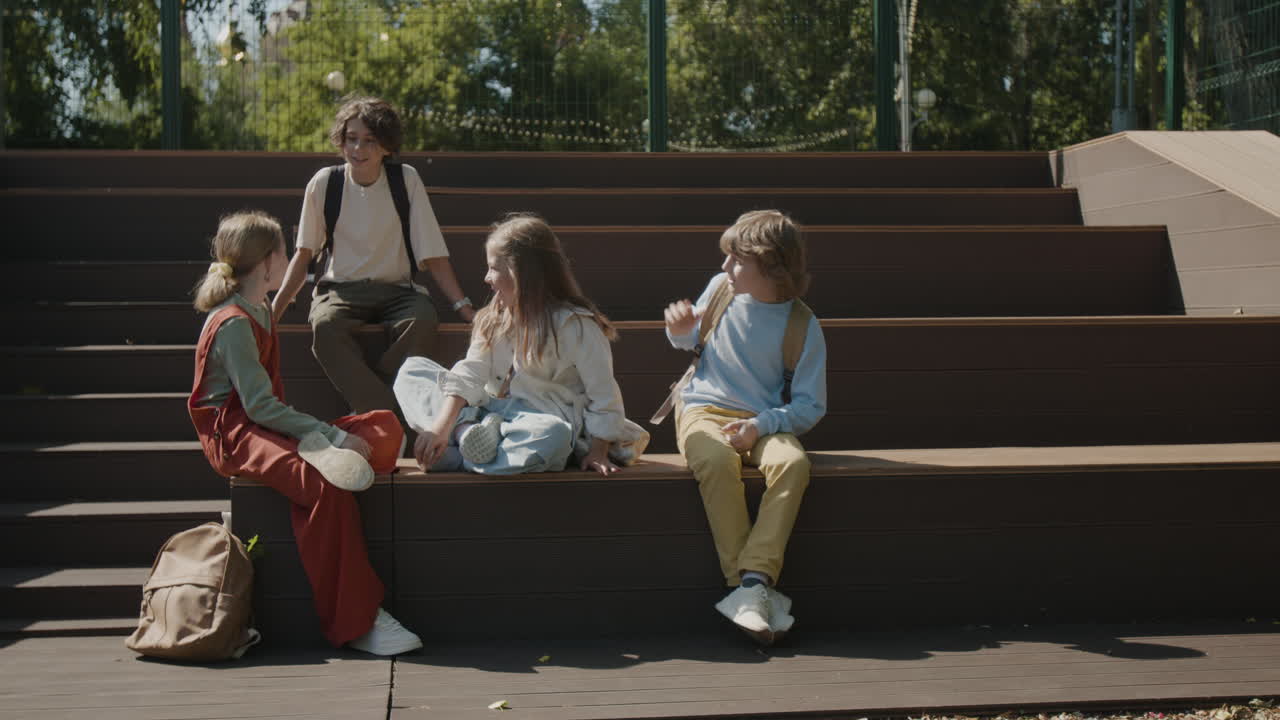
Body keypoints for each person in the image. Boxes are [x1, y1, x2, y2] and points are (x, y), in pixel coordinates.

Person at [189, 210, 421, 655]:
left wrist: (326, 436)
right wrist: (327, 437)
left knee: (382, 427)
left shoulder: (259, 309)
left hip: (262, 424)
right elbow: (256, 406)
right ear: (269, 261)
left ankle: (333, 459)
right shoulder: (234, 321)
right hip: (235, 434)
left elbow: (267, 409)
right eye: (284, 251)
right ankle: (358, 622)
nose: (291, 258)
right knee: (325, 485)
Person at [661, 210, 827, 646]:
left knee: (793, 463)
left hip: (762, 421)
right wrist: (678, 331)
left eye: (736, 259)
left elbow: (810, 406)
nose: (724, 268)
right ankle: (748, 588)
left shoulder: (802, 324)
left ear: (772, 265)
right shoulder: (720, 291)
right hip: (703, 412)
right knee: (715, 461)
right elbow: (691, 340)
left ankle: (753, 580)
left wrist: (760, 426)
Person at [272, 95, 475, 419]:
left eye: (369, 141)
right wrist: (272, 313)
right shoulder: (326, 183)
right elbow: (304, 253)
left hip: (398, 291)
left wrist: (464, 309)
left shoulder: (404, 180)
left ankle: (372, 407)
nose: (358, 149)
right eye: (351, 139)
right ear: (341, 141)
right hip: (341, 290)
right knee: (324, 327)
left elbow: (434, 253)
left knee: (423, 319)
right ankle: (385, 413)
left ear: (386, 146)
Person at [401, 214, 648, 477]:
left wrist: (598, 450)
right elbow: (471, 372)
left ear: (522, 273)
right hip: (487, 412)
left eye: (494, 268)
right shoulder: (492, 318)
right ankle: (464, 434)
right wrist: (441, 427)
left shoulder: (576, 326)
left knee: (554, 437)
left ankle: (458, 459)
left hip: (537, 422)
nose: (486, 278)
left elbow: (603, 394)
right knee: (411, 372)